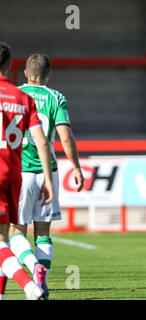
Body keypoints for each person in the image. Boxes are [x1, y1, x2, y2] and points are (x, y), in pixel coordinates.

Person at [9, 53, 84, 299]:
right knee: (43, 233)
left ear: (25, 74)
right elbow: (65, 137)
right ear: (49, 74)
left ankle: (32, 267)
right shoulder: (56, 97)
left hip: (19, 171)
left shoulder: (15, 95)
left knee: (16, 232)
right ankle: (42, 285)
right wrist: (76, 167)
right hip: (47, 172)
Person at [0, 42, 54, 300]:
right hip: (14, 173)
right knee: (8, 238)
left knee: (6, 240)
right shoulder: (23, 98)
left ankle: (30, 281)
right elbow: (42, 141)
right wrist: (50, 180)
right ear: (10, 66)